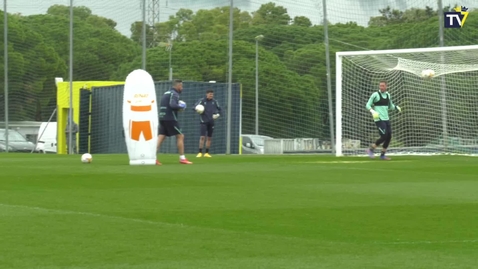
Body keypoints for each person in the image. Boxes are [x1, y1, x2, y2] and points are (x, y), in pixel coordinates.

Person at [156, 79, 192, 165]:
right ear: (178, 86)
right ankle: (182, 158)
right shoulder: (174, 94)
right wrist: (181, 107)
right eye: (181, 86)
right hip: (170, 118)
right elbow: (172, 105)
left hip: (162, 117)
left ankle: (153, 157)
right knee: (180, 136)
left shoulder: (166, 93)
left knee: (161, 137)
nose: (182, 88)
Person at [365, 80, 401, 160]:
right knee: (384, 136)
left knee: (389, 136)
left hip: (386, 118)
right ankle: (370, 149)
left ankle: (382, 155)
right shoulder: (375, 95)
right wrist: (372, 111)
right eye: (380, 86)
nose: (381, 87)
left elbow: (390, 106)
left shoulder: (388, 95)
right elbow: (367, 105)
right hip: (378, 119)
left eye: (383, 86)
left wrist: (396, 108)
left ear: (386, 86)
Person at [193, 89, 221, 157]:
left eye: (212, 94)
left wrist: (217, 114)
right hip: (203, 121)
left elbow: (220, 109)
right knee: (202, 137)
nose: (211, 95)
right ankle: (200, 152)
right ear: (207, 94)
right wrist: (197, 109)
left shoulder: (215, 101)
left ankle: (207, 153)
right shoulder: (202, 101)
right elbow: (194, 107)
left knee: (209, 137)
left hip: (211, 122)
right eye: (210, 94)